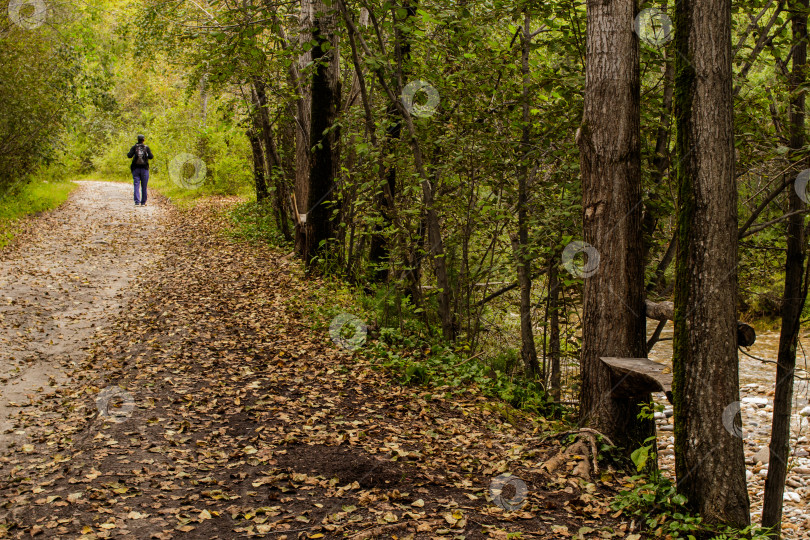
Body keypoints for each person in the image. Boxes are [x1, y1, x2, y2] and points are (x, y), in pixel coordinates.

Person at [127, 134, 154, 206]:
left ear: (137, 140)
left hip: (135, 169)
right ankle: (143, 202)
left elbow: (129, 155)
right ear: (144, 140)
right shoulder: (146, 147)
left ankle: (137, 201)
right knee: (144, 186)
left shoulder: (134, 147)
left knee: (136, 184)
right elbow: (151, 157)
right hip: (144, 169)